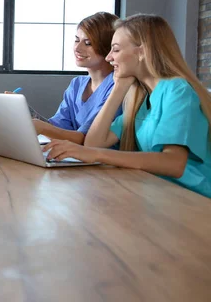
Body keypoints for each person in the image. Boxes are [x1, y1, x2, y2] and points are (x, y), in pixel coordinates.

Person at [44, 14, 211, 198]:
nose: (108, 58)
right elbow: (94, 143)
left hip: (194, 199)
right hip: (158, 194)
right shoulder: (141, 97)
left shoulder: (177, 90)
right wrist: (119, 88)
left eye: (115, 50)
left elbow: (173, 163)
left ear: (142, 52)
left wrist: (96, 155)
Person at [31, 12, 120, 144]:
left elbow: (87, 139)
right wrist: (27, 113)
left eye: (88, 43)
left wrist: (40, 126)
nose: (77, 48)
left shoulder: (117, 86)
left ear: (108, 47)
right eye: (77, 40)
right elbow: (57, 128)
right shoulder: (77, 84)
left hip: (103, 161)